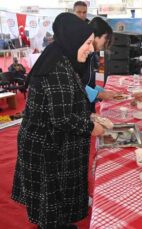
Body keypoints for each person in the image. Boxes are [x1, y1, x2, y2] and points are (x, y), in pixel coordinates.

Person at [11, 13, 105, 229]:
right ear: (73, 39)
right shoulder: (57, 68)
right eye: (88, 43)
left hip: (48, 143)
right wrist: (91, 126)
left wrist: (87, 115)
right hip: (44, 147)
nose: (91, 49)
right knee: (49, 198)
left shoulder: (62, 59)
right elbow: (61, 117)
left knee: (54, 196)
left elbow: (65, 104)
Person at [83, 17, 116, 112]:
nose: (105, 43)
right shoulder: (81, 53)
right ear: (95, 36)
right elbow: (76, 83)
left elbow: (89, 82)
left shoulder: (92, 54)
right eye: (105, 38)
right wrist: (98, 94)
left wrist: (103, 92)